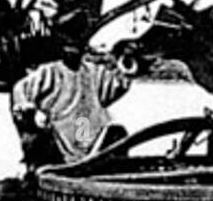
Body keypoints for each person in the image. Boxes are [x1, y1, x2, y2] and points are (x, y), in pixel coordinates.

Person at [10, 10, 130, 175]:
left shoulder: (93, 71)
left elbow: (117, 85)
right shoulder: (49, 72)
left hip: (88, 137)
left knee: (117, 132)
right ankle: (38, 169)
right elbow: (20, 90)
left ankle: (91, 165)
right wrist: (30, 109)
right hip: (59, 141)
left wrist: (127, 67)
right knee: (37, 136)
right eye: (69, 45)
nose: (73, 49)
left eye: (77, 45)